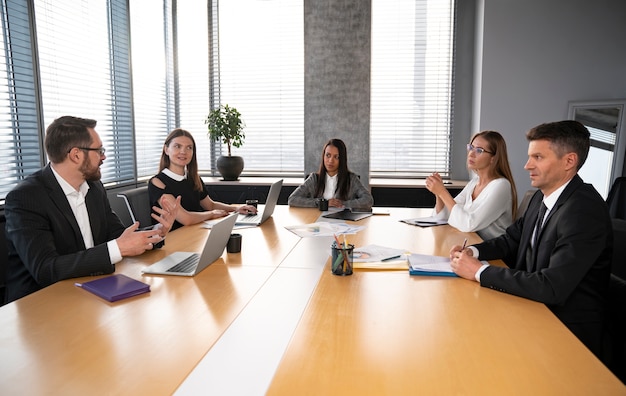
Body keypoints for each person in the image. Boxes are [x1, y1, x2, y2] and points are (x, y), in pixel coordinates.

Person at [449, 120, 612, 358]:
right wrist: (473, 252)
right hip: (533, 309)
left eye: (538, 157)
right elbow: (510, 240)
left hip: (567, 335)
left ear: (569, 161)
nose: (527, 166)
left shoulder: (584, 210)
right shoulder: (540, 198)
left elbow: (551, 286)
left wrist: (478, 272)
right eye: (529, 157)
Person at [4, 116, 179, 303]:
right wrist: (118, 247)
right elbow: (45, 268)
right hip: (39, 304)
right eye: (99, 150)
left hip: (89, 289)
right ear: (76, 155)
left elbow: (117, 236)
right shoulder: (26, 197)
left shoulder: (94, 188)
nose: (104, 156)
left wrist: (156, 232)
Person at [149, 128, 257, 230]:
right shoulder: (157, 182)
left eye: (189, 148)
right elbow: (186, 219)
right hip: (173, 239)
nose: (183, 151)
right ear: (166, 149)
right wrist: (212, 214)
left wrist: (236, 209)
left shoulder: (193, 178)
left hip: (196, 232)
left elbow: (210, 205)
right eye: (177, 146)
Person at [425, 131, 518, 239]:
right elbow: (446, 216)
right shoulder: (474, 182)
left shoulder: (501, 186)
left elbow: (468, 224)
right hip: (470, 245)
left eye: (479, 150)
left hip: (491, 252)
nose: (471, 154)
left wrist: (442, 192)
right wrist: (439, 194)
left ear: (493, 158)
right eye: (471, 147)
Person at [288, 138, 374, 210]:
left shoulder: (351, 179)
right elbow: (292, 199)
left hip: (342, 222)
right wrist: (322, 203)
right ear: (323, 156)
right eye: (328, 155)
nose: (330, 161)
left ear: (342, 159)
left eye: (336, 157)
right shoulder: (314, 179)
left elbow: (368, 200)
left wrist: (343, 204)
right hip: (317, 222)